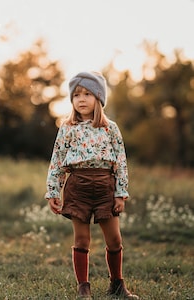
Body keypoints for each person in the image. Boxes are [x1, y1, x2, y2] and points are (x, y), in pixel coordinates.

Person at [45, 72, 139, 299]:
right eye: (76, 95)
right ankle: (83, 288)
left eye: (87, 93)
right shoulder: (67, 128)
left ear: (99, 98)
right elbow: (57, 161)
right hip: (78, 186)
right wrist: (53, 191)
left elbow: (120, 163)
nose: (81, 99)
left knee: (114, 239)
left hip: (105, 185)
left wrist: (120, 193)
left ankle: (117, 285)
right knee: (82, 240)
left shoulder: (110, 128)